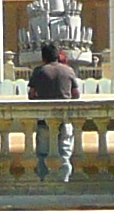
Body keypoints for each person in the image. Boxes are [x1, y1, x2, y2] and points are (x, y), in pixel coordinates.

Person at [27, 41, 81, 182]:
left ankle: (45, 181)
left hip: (43, 118)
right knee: (64, 153)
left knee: (43, 153)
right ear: (58, 56)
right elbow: (76, 94)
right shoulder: (68, 70)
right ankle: (64, 181)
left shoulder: (39, 71)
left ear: (43, 57)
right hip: (64, 117)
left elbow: (31, 95)